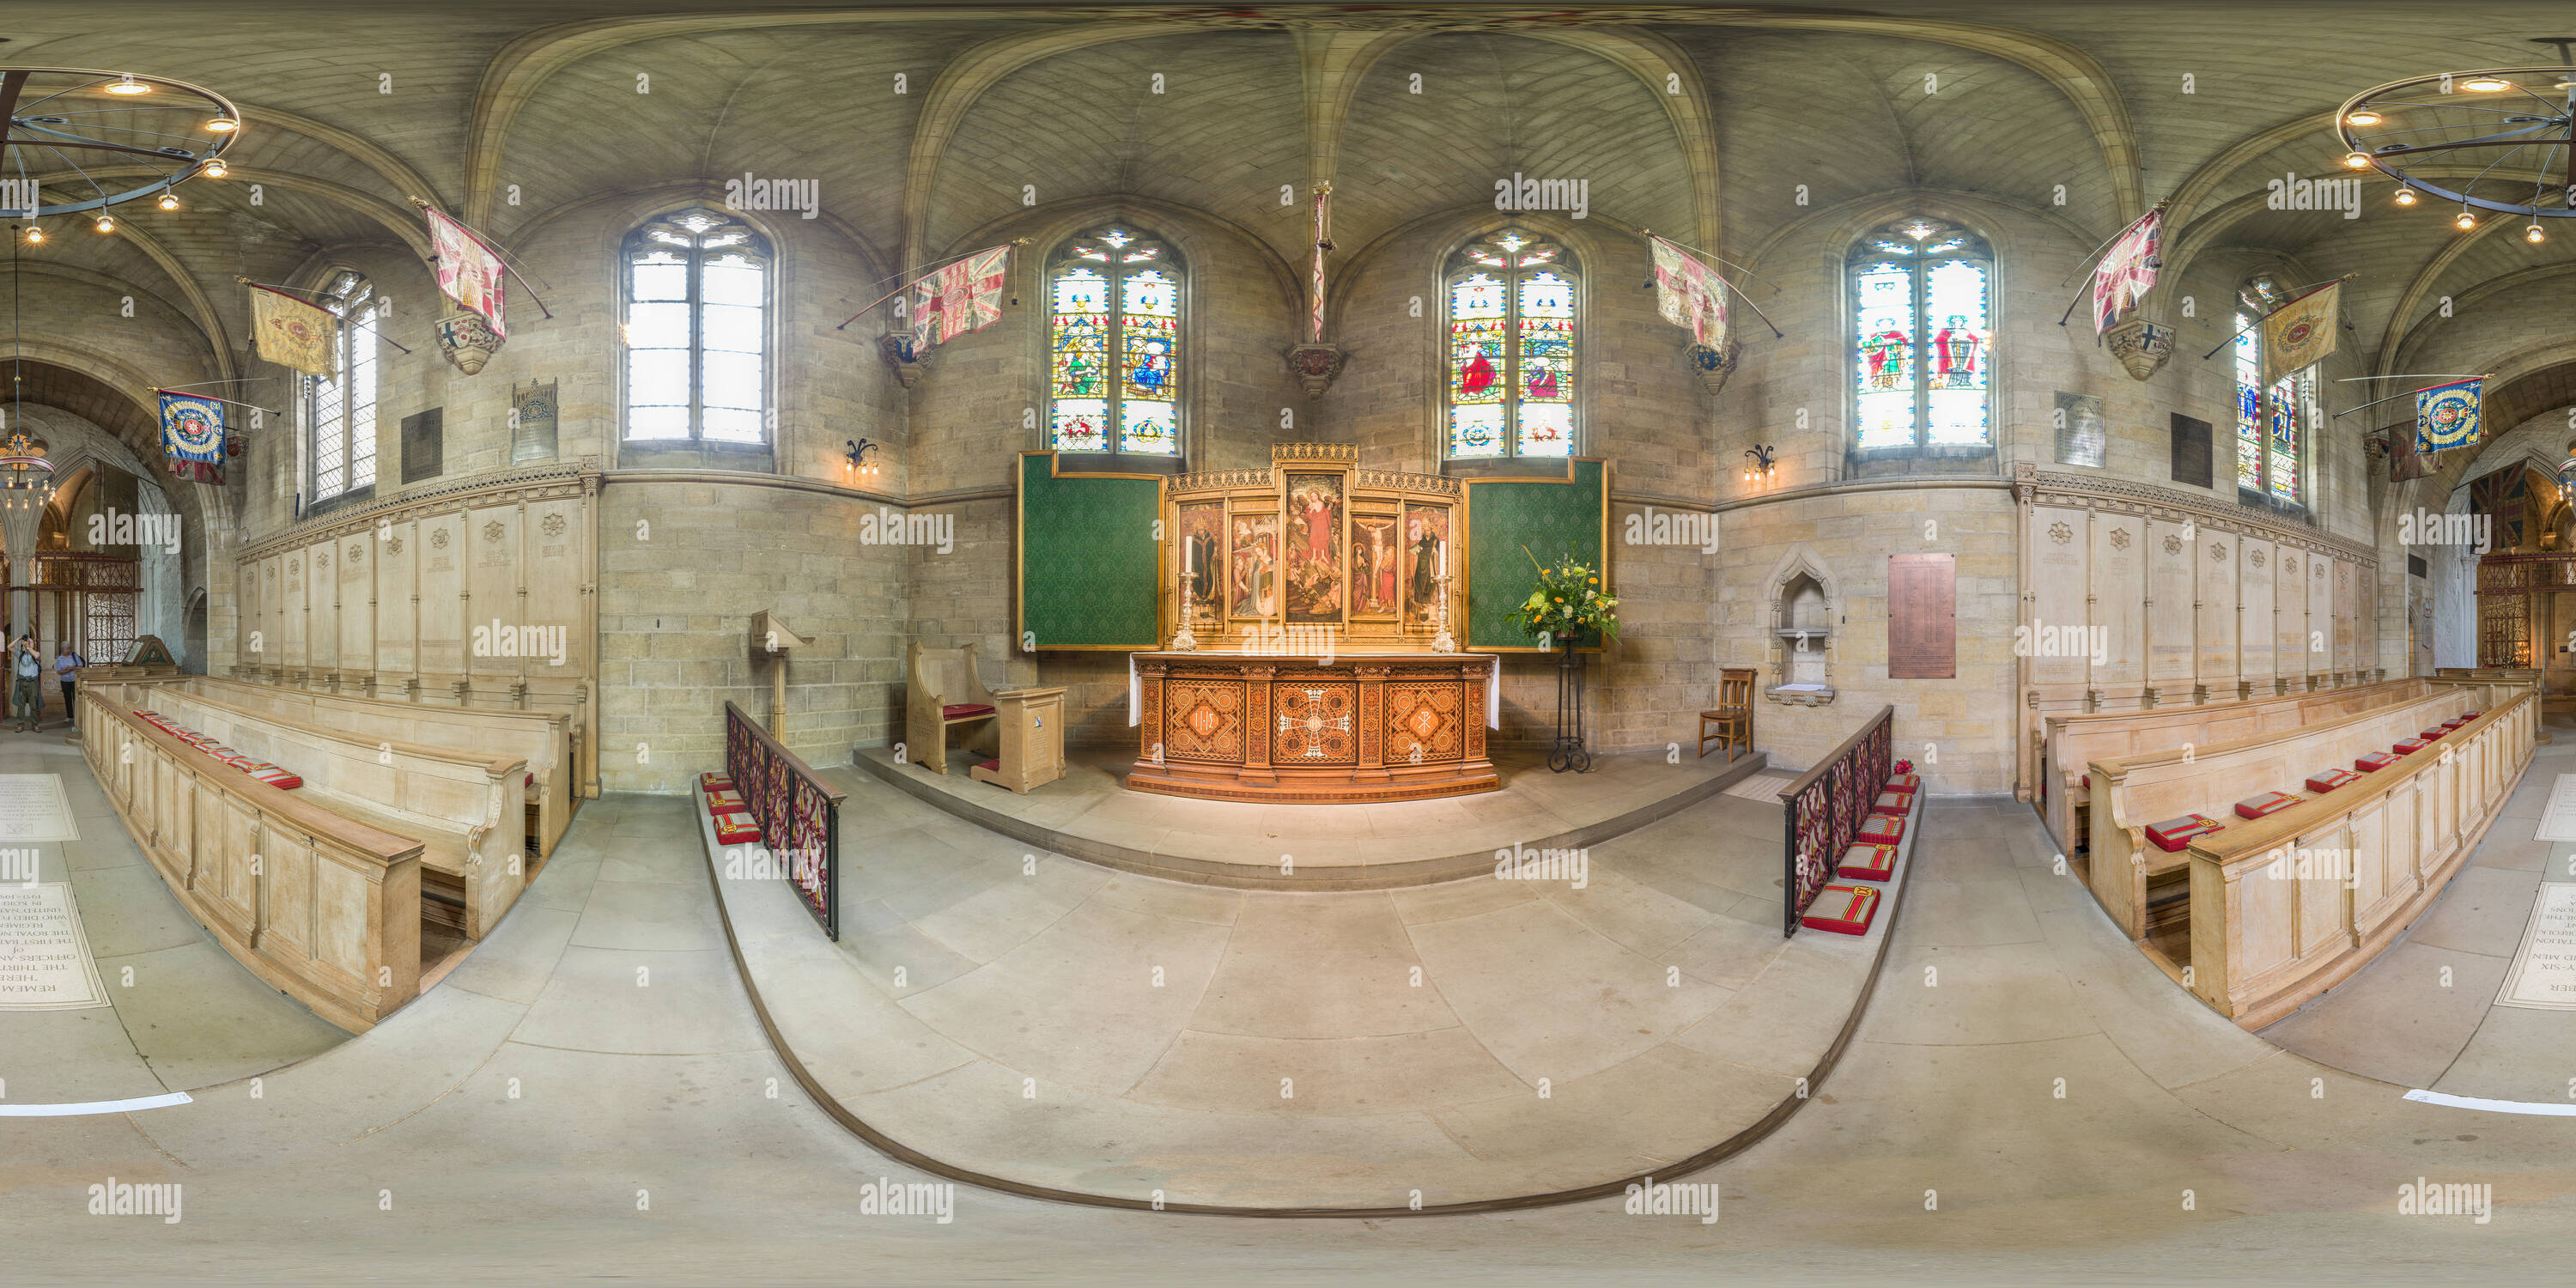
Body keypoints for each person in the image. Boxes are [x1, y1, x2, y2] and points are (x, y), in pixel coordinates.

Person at [9, 635, 39, 733]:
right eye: (26, 642)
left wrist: (28, 646)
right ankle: (20, 725)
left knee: (34, 705)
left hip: (32, 683)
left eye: (30, 642)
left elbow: (36, 656)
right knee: (21, 706)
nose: (27, 643)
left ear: (33, 645)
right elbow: (9, 647)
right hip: (22, 683)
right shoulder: (21, 655)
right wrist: (19, 639)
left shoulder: (36, 653)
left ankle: (35, 725)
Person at [54, 643, 84, 730]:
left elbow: (81, 666)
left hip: (75, 680)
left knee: (76, 698)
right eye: (66, 649)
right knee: (67, 698)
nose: (67, 650)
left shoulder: (74, 656)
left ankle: (77, 716)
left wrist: (72, 668)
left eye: (68, 649)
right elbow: (58, 671)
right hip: (65, 681)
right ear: (62, 649)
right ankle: (69, 716)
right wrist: (66, 671)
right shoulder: (60, 659)